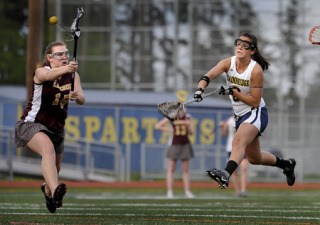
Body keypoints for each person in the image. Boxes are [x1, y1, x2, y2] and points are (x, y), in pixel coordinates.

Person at [193, 32, 296, 189]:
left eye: (245, 45)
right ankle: (286, 164)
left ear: (252, 50)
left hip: (256, 113)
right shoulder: (228, 63)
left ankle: (225, 175)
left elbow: (254, 102)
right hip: (240, 115)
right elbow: (207, 76)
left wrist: (233, 92)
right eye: (238, 43)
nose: (240, 47)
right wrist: (200, 90)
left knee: (238, 141)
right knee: (255, 158)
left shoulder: (256, 71)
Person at [14, 41, 85, 213]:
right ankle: (55, 191)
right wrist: (67, 69)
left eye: (66, 53)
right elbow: (48, 77)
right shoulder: (41, 71)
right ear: (49, 58)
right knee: (48, 150)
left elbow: (82, 98)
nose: (64, 57)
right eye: (59, 54)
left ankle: (48, 190)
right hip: (31, 124)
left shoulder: (73, 75)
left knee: (55, 168)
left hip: (57, 128)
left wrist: (77, 96)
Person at [155, 110, 194, 198]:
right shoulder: (172, 116)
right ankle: (169, 191)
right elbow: (157, 126)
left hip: (185, 144)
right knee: (171, 168)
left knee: (185, 170)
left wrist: (188, 125)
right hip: (174, 144)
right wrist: (170, 129)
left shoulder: (188, 117)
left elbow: (191, 132)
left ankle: (187, 191)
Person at [220, 116, 248, 197]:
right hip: (231, 149)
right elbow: (223, 134)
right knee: (234, 172)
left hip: (243, 148)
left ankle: (243, 190)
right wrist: (223, 126)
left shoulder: (245, 120)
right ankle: (238, 191)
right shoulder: (229, 121)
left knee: (244, 168)